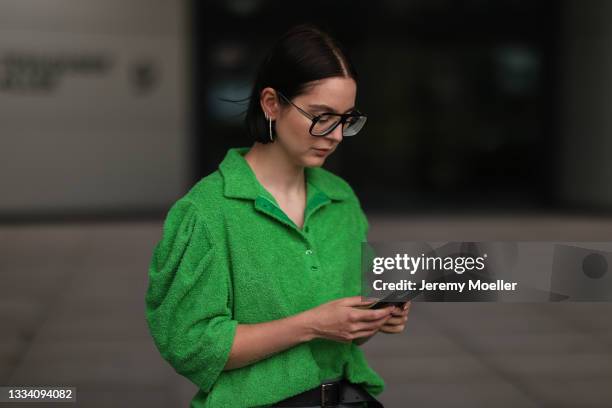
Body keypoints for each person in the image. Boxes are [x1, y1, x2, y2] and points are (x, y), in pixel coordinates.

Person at [145, 23, 411, 408]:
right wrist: (311, 324)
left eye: (346, 119)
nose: (336, 135)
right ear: (272, 103)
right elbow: (191, 346)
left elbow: (345, 332)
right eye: (322, 116)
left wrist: (373, 319)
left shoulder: (341, 200)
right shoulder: (206, 212)